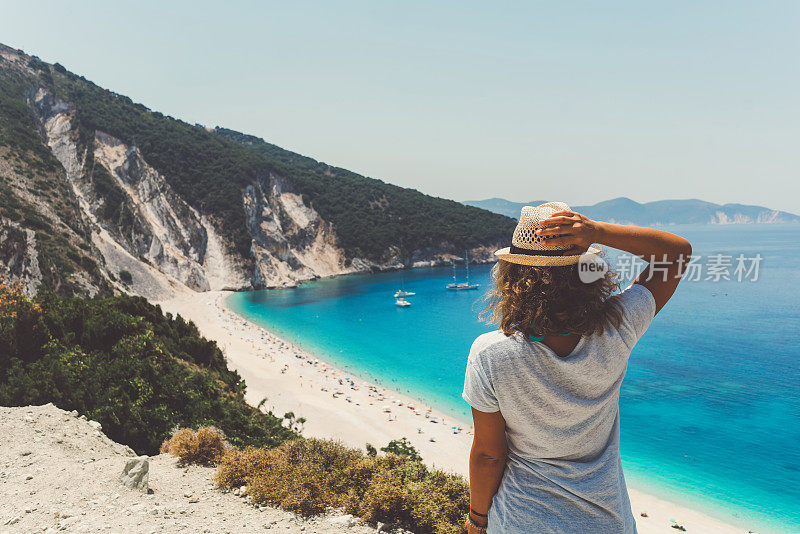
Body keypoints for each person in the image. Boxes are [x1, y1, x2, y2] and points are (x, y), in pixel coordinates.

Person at [462, 202, 692, 534]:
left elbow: (488, 454)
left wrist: (478, 518)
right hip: (606, 522)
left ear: (513, 276)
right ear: (587, 270)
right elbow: (677, 254)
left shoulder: (490, 353)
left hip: (521, 522)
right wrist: (597, 231)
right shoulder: (618, 328)